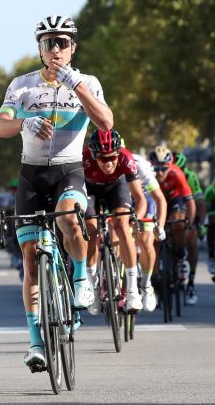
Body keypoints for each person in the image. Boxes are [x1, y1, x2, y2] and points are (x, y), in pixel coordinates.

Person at [0, 15, 113, 369]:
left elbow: (106, 122)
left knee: (71, 221)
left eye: (62, 42)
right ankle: (35, 344)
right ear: (40, 49)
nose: (55, 49)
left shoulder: (87, 81)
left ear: (73, 48)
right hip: (31, 175)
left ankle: (80, 278)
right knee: (30, 257)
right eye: (48, 42)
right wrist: (23, 122)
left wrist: (77, 86)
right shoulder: (23, 85)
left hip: (68, 170)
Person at [82, 129, 148, 313]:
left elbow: (140, 198)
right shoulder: (83, 159)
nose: (109, 163)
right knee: (90, 228)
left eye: (112, 157)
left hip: (115, 188)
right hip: (90, 189)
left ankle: (133, 290)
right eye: (103, 159)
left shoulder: (126, 158)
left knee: (122, 225)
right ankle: (93, 286)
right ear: (94, 155)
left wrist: (137, 219)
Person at [149, 146, 196, 292]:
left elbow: (190, 202)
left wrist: (189, 223)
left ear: (170, 166)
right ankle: (155, 275)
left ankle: (180, 249)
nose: (160, 173)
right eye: (157, 169)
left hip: (174, 199)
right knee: (152, 236)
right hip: (155, 200)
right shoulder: (147, 174)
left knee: (178, 222)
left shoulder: (177, 173)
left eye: (164, 169)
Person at [131, 152, 167, 310]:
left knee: (146, 241)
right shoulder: (104, 165)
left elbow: (160, 199)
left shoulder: (139, 166)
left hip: (146, 196)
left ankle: (146, 286)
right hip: (122, 196)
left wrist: (160, 226)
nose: (109, 162)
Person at [172, 151, 206, 305]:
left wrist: (199, 223)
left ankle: (191, 284)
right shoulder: (163, 174)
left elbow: (199, 202)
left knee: (192, 242)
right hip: (170, 206)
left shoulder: (190, 177)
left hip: (187, 207)